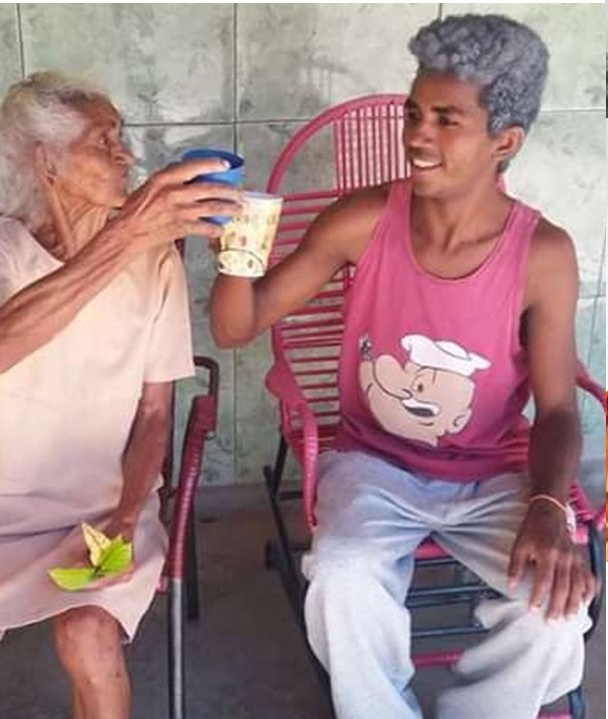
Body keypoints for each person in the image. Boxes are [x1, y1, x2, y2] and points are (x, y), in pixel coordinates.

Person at [209, 14, 596, 719]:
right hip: (373, 463)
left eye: (447, 120)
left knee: (555, 616)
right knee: (342, 574)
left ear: (504, 142)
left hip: (492, 472)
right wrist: (236, 252)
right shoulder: (361, 220)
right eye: (414, 113)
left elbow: (557, 408)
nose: (417, 134)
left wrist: (547, 506)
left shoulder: (542, 254)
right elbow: (237, 327)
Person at [0, 72, 241, 719]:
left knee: (87, 635)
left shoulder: (155, 261)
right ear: (46, 162)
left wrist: (125, 514)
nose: (126, 156)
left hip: (102, 504)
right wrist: (125, 236)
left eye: (121, 138)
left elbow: (154, 414)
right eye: (103, 141)